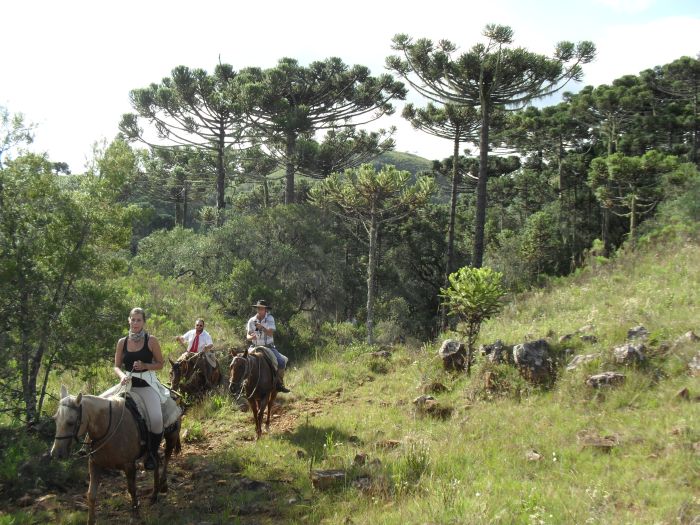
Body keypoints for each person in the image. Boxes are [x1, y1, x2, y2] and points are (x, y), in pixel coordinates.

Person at [114, 307, 169, 470]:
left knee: (157, 420)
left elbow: (160, 364)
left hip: (146, 386)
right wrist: (121, 376)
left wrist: (145, 365)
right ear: (128, 320)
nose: (135, 323)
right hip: (127, 384)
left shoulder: (151, 340)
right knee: (102, 405)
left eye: (139, 320)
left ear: (143, 322)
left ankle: (152, 454)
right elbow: (116, 366)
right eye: (133, 319)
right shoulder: (122, 342)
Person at [246, 300, 290, 393]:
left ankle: (279, 383)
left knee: (281, 361)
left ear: (266, 309)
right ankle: (243, 385)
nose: (259, 310)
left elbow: (270, 333)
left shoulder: (270, 319)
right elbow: (248, 336)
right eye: (258, 308)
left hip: (268, 346)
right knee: (243, 362)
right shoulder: (251, 320)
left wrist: (262, 327)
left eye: (261, 308)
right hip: (254, 346)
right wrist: (251, 337)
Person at [175, 318, 217, 387]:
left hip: (199, 354)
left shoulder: (206, 335)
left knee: (204, 366)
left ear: (203, 326)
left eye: (200, 325)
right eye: (197, 325)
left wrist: (207, 347)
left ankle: (207, 381)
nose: (199, 327)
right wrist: (179, 338)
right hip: (188, 353)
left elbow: (211, 344)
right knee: (177, 363)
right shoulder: (191, 332)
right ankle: (174, 380)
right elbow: (183, 339)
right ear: (195, 325)